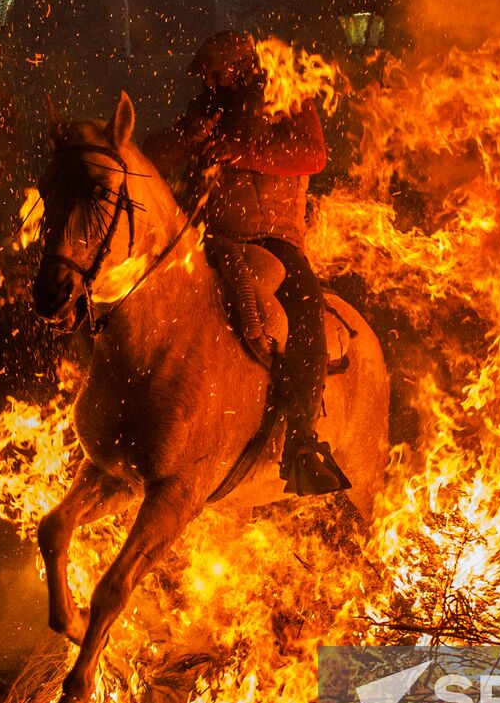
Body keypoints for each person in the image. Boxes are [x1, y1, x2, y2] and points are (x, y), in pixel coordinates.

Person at [142, 30, 349, 495]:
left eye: (218, 73)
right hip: (203, 240)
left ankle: (300, 441)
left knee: (305, 309)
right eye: (207, 76)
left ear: (241, 65)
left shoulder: (285, 93)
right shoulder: (205, 109)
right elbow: (149, 160)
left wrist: (244, 152)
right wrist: (182, 137)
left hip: (271, 239)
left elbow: (313, 155)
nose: (211, 82)